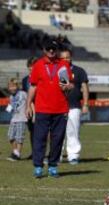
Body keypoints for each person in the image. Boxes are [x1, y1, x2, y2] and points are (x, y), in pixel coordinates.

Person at [26, 38, 73, 178]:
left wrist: (69, 86)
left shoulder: (63, 64)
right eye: (48, 49)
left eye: (54, 49)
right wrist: (28, 104)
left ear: (57, 50)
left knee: (57, 139)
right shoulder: (38, 65)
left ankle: (53, 166)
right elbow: (33, 86)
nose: (51, 51)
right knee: (39, 138)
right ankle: (38, 166)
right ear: (44, 50)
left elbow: (69, 86)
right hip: (42, 109)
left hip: (61, 108)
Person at [58, 46, 89, 164]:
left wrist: (85, 104)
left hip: (74, 106)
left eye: (68, 57)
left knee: (73, 131)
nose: (66, 60)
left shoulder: (79, 71)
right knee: (58, 132)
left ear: (71, 58)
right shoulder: (58, 71)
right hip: (59, 106)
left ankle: (73, 156)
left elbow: (85, 88)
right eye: (63, 58)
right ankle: (57, 156)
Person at [6, 78, 28, 161]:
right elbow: (10, 106)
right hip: (13, 119)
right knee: (10, 136)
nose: (12, 88)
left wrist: (32, 112)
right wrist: (8, 109)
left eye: (13, 86)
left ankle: (17, 154)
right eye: (10, 86)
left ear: (17, 86)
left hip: (22, 119)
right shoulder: (11, 97)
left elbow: (30, 102)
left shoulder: (23, 94)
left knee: (19, 137)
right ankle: (15, 152)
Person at [22, 56, 37, 160]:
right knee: (32, 131)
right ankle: (34, 152)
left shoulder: (41, 78)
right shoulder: (25, 80)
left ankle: (46, 152)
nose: (31, 68)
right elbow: (25, 95)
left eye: (34, 66)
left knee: (44, 132)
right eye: (30, 66)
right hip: (29, 109)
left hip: (41, 107)